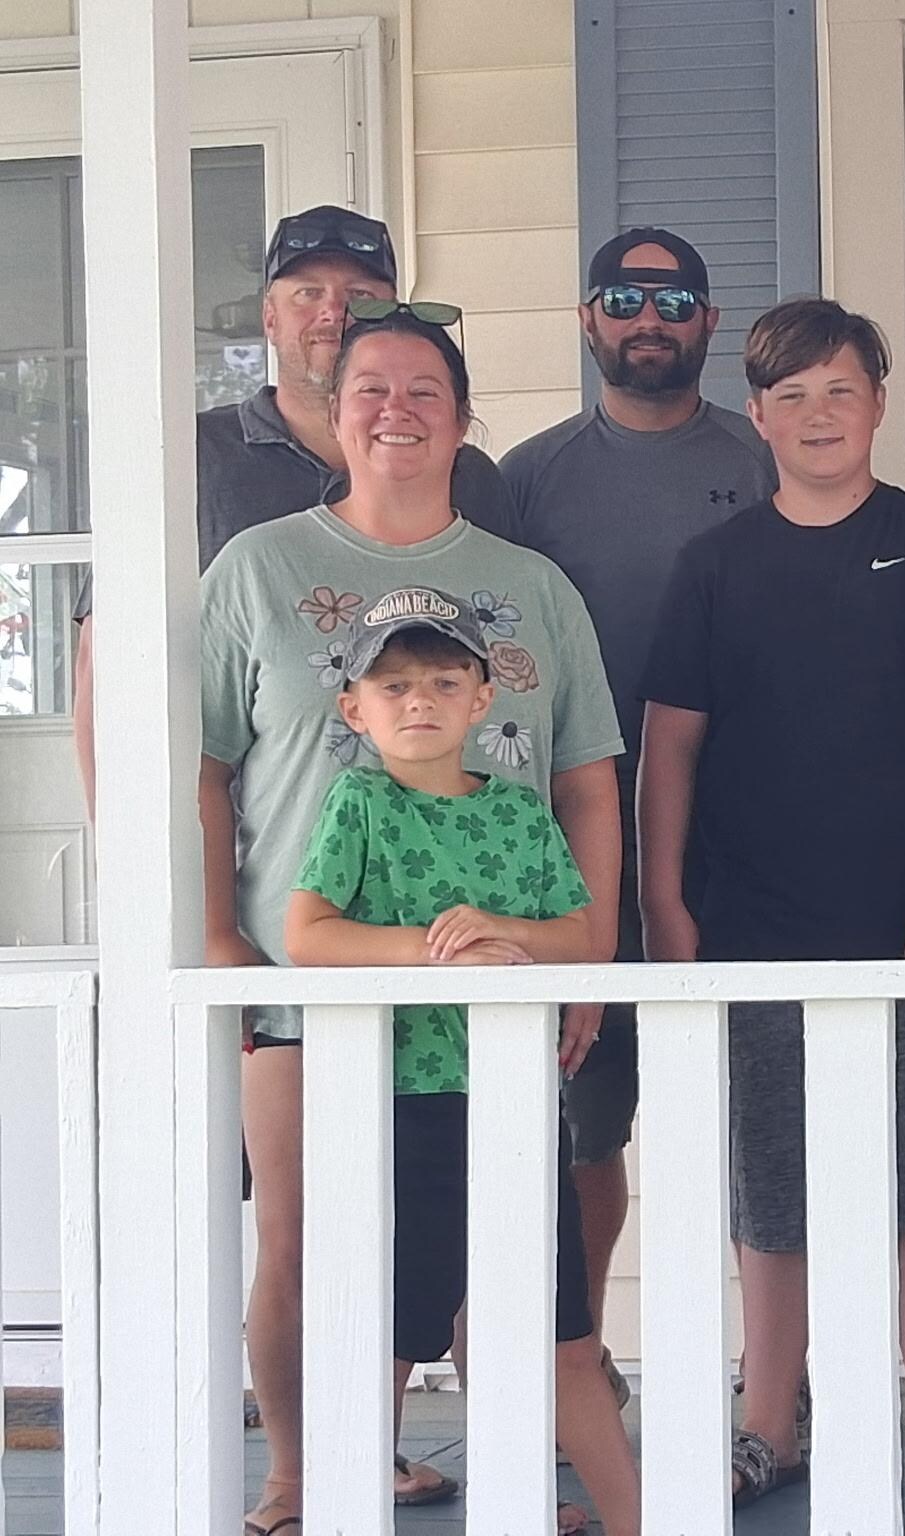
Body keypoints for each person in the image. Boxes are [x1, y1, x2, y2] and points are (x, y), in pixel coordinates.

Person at [200, 304, 624, 1536]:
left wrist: (586, 959)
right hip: (308, 986)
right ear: (332, 416)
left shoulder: (531, 586)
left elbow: (588, 782)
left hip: (498, 1000)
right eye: (370, 389)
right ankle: (305, 1482)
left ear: (463, 417)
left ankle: (511, 1485)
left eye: (425, 389)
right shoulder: (259, 569)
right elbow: (202, 771)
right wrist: (222, 939)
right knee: (306, 1244)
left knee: (501, 1254)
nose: (397, 409)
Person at [638, 298, 905, 1514]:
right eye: (790, 396)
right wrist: (664, 903)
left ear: (878, 404)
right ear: (757, 416)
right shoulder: (713, 566)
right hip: (751, 923)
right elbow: (670, 748)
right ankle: (767, 1421)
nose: (817, 415)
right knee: (772, 1187)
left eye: (839, 390)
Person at [282, 595, 641, 1536]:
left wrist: (501, 932)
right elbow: (308, 933)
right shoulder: (360, 803)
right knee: (395, 1332)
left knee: (563, 1333)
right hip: (405, 1106)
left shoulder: (519, 813)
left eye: (445, 682)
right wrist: (433, 952)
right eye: (393, 685)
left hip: (517, 1103)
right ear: (355, 709)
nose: (420, 701)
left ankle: (638, 1520)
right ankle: (343, 1513)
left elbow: (578, 932)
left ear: (483, 700)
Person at [499, 226, 775, 1386]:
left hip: (746, 823)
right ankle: (582, 1354)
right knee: (587, 1111)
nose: (646, 320)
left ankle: (777, 1369)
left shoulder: (762, 456)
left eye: (670, 301)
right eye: (621, 299)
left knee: (760, 1106)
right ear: (586, 319)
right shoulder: (529, 477)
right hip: (579, 829)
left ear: (707, 321)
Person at [72, 205, 514, 821]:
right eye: (308, 293)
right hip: (244, 847)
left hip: (448, 845)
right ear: (269, 317)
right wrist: (120, 843)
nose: (333, 312)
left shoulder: (468, 476)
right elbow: (104, 659)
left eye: (360, 296)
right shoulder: (187, 460)